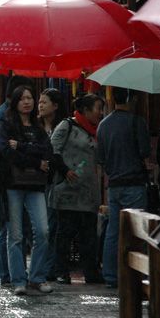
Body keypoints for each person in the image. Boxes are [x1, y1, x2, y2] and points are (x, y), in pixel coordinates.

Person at [0, 85, 54, 295]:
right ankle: (18, 280)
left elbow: (47, 150)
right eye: (23, 98)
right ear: (15, 102)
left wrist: (21, 146)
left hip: (36, 185)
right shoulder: (6, 125)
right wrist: (36, 162)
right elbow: (6, 153)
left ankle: (37, 277)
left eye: (30, 98)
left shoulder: (38, 127)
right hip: (13, 184)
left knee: (42, 231)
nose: (27, 102)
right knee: (16, 234)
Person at [96, 86, 151, 289]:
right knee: (138, 230)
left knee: (113, 230)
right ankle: (136, 273)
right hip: (134, 183)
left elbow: (100, 159)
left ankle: (111, 274)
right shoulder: (137, 122)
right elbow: (144, 151)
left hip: (114, 185)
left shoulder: (103, 125)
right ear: (131, 98)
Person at [49, 94, 104, 284]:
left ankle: (91, 272)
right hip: (68, 191)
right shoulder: (67, 126)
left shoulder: (97, 131)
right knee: (65, 232)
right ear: (86, 110)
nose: (101, 113)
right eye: (98, 108)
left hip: (88, 192)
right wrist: (65, 171)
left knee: (89, 234)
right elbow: (52, 151)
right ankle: (60, 271)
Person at [37, 88, 67, 281]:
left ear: (55, 106)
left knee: (52, 226)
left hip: (57, 182)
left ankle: (50, 267)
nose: (40, 105)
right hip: (39, 183)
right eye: (39, 102)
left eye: (44, 102)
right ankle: (44, 267)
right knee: (43, 227)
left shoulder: (62, 128)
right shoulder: (36, 128)